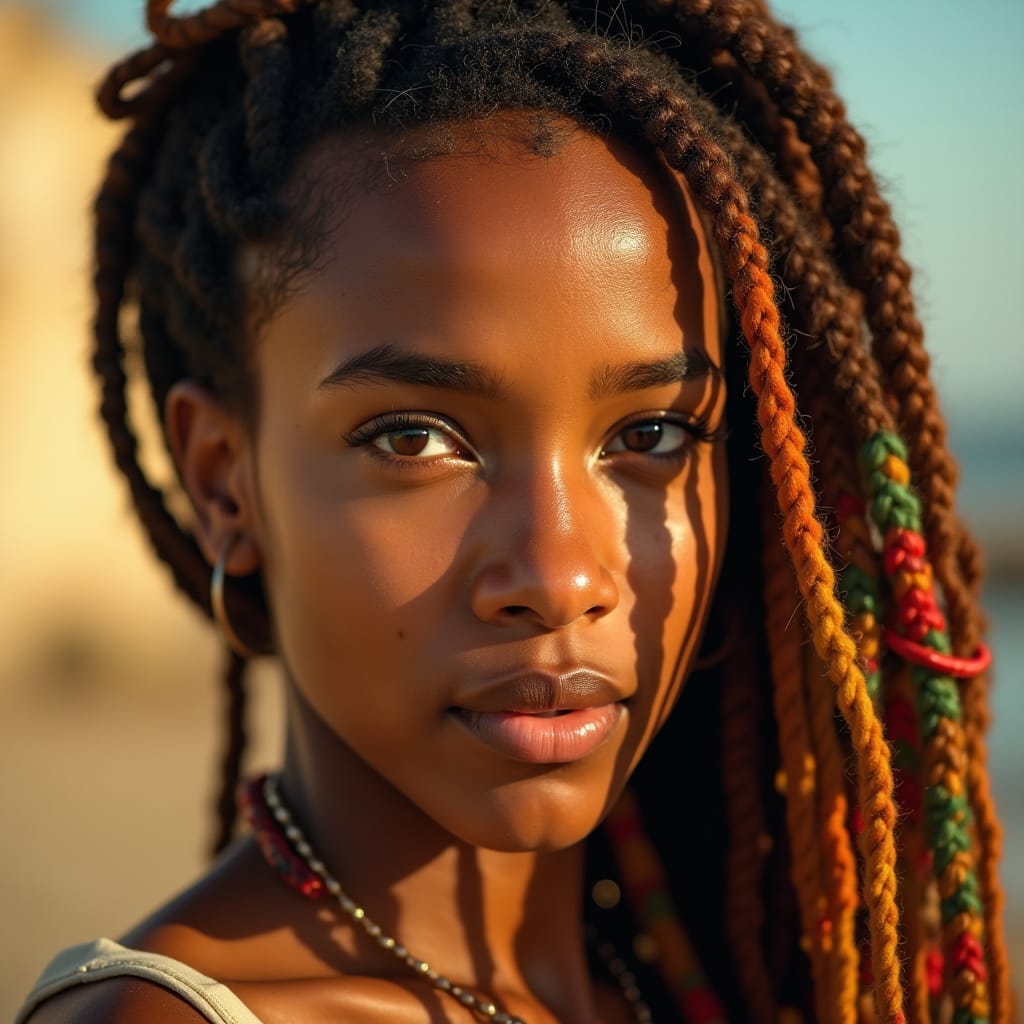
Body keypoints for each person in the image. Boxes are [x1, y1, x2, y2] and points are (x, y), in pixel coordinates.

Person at [14, 0, 1011, 1022]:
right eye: (413, 438)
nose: (559, 575)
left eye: (651, 437)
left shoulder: (736, 977)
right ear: (225, 481)